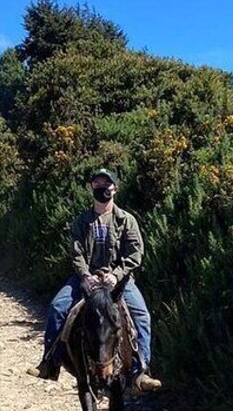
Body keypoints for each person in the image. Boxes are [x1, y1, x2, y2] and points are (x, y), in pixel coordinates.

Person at [28, 168, 162, 393]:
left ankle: (140, 371)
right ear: (91, 188)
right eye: (98, 184)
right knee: (57, 307)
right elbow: (75, 253)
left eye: (107, 185)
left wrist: (116, 275)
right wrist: (85, 276)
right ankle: (50, 362)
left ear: (115, 188)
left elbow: (135, 254)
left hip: (119, 281)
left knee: (141, 314)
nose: (102, 188)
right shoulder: (82, 221)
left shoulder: (126, 220)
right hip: (86, 278)